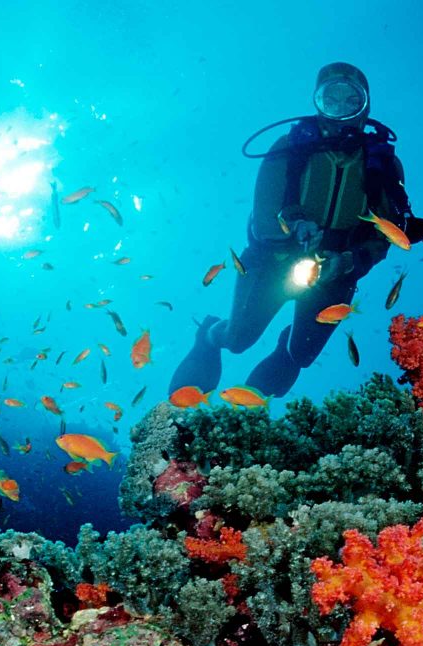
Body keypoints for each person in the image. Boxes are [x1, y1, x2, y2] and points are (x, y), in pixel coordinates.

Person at [172, 62, 410, 398]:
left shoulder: (384, 165)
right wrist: (295, 226)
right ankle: (210, 334)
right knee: (238, 341)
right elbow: (264, 211)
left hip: (335, 275)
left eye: (350, 100)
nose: (340, 109)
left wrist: (346, 262)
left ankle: (251, 405)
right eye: (331, 99)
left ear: (365, 106)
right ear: (317, 103)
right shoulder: (288, 148)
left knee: (301, 355)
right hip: (271, 262)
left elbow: (388, 235)